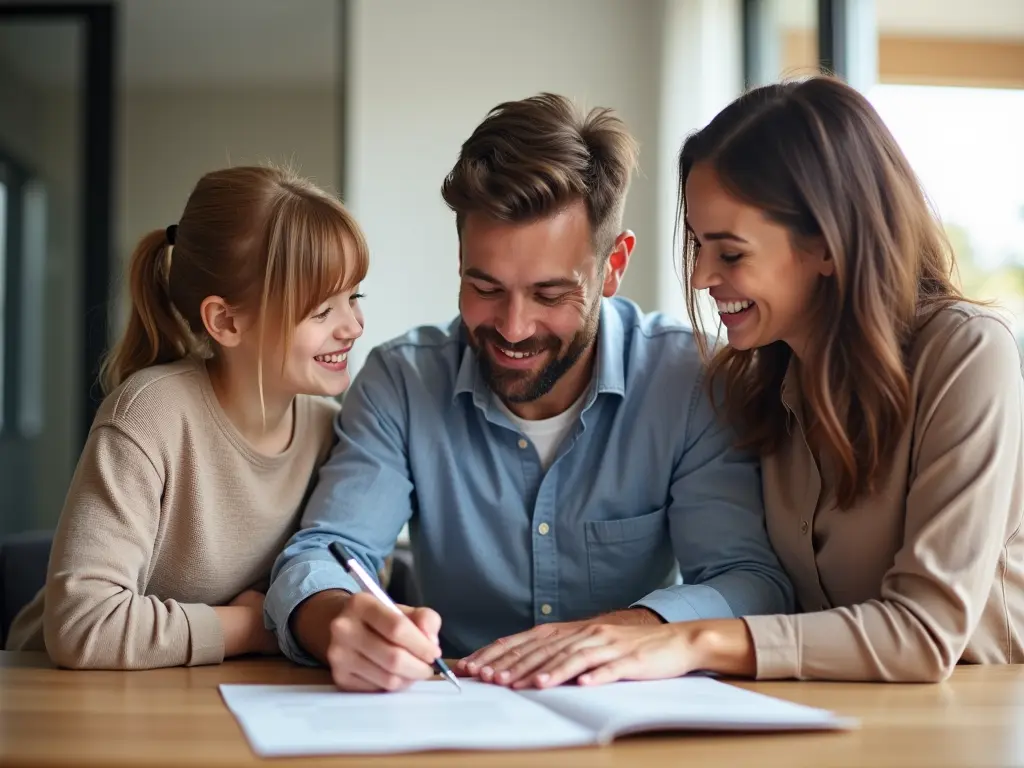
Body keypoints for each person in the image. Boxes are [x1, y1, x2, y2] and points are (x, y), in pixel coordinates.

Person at [470, 75, 1024, 688]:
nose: (703, 276)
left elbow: (924, 633)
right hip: (834, 715)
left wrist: (686, 640)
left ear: (827, 245)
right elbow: (766, 585)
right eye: (700, 245)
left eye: (730, 253)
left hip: (980, 718)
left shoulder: (968, 354)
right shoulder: (757, 383)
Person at [265, 92, 793, 693]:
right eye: (484, 287)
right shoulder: (401, 383)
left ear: (612, 266)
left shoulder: (690, 380)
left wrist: (635, 630)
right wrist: (338, 622)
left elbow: (748, 579)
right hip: (453, 716)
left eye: (549, 295)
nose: (513, 329)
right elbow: (322, 556)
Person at [5, 165, 369, 670]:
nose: (354, 325)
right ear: (226, 321)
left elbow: (358, 574)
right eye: (321, 311)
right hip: (63, 697)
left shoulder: (332, 434)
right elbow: (82, 624)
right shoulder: (149, 414)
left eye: (354, 296)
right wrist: (251, 626)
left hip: (209, 694)